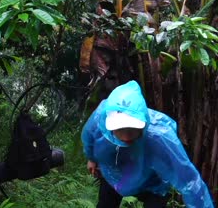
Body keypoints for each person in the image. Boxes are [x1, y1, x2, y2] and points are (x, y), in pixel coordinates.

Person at [81, 80, 214, 208]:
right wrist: (91, 158)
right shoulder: (100, 118)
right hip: (115, 170)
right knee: (106, 204)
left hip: (152, 182)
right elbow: (88, 136)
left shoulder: (160, 137)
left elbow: (190, 181)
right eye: (121, 129)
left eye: (132, 129)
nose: (126, 137)